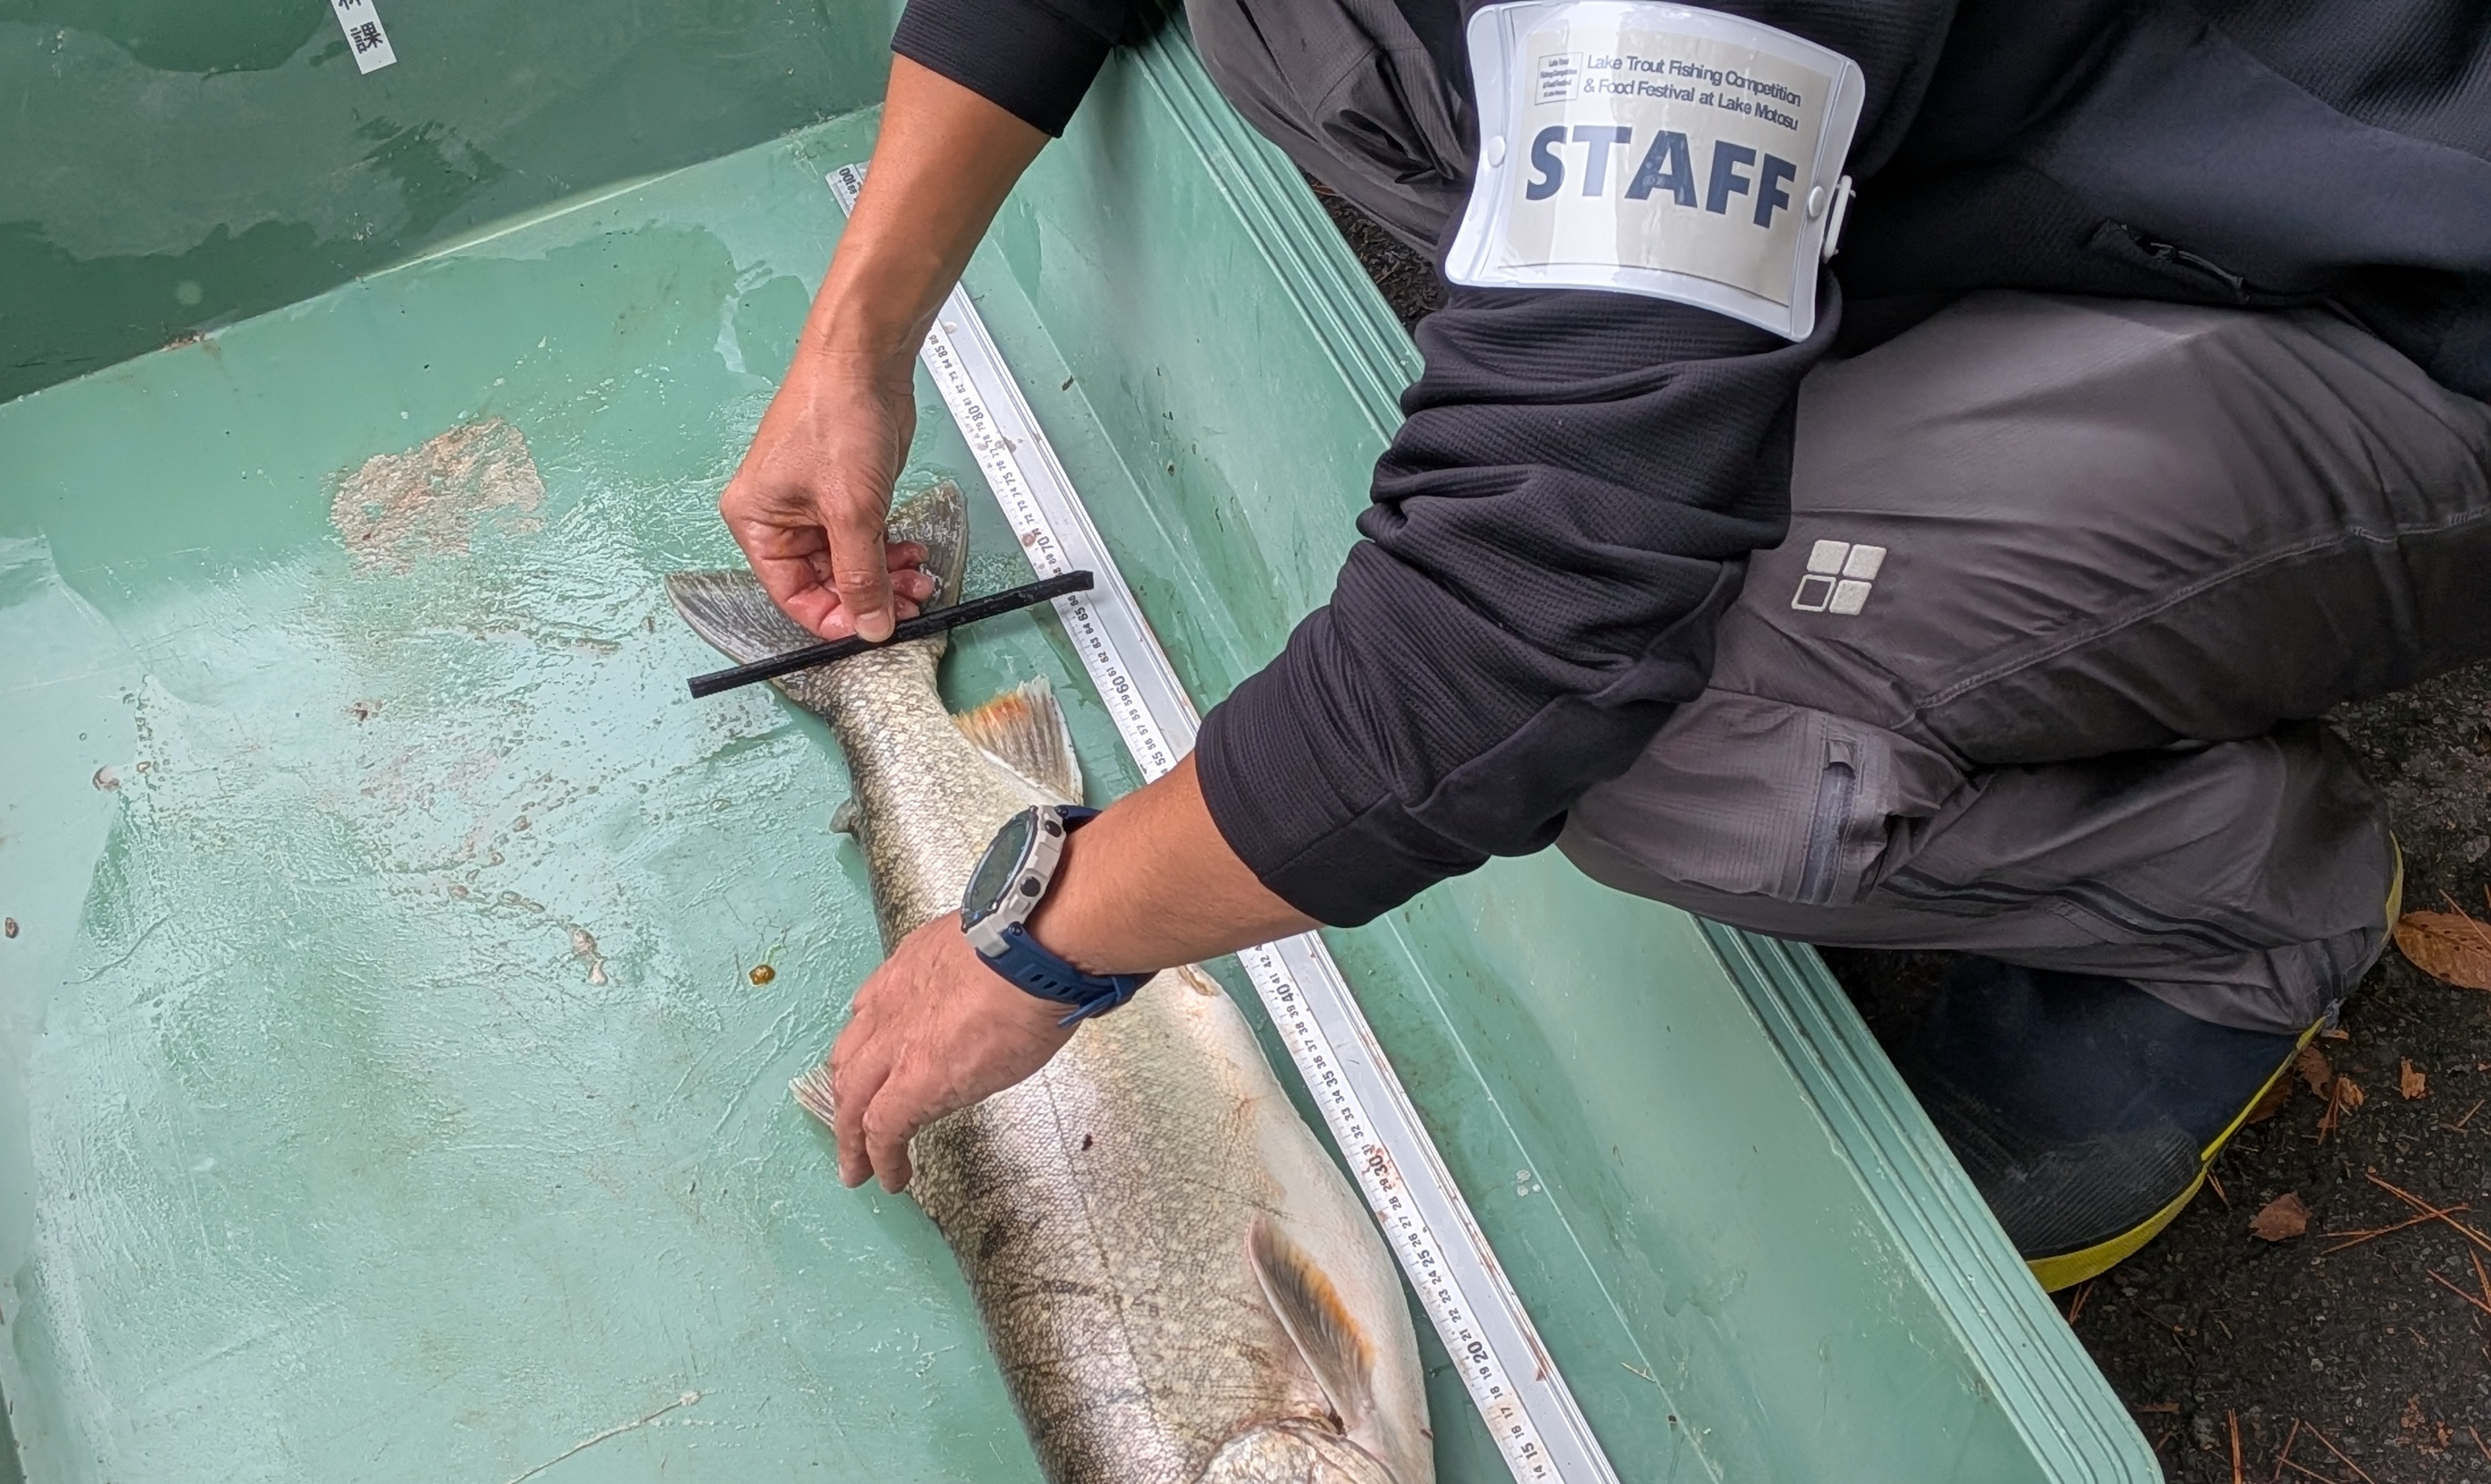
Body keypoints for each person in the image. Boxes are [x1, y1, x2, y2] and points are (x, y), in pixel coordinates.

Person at [720, 0, 2491, 1289]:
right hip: (1981, 162)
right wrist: (860, 335)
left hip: (2355, 294)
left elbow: (1519, 632)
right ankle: (1733, 389)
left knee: (1673, 735)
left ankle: (2242, 900)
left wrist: (1038, 947)